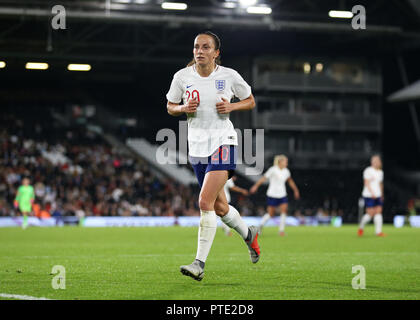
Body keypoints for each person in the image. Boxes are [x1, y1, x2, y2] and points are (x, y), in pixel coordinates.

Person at [166, 31, 261, 281]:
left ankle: (199, 263)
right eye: (196, 46)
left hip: (223, 142)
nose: (199, 51)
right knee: (220, 207)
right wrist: (182, 108)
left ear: (216, 52)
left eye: (206, 47)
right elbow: (170, 106)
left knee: (204, 202)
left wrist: (232, 106)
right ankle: (249, 234)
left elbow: (250, 100)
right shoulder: (182, 77)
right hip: (196, 148)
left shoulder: (228, 75)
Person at [250, 155, 300, 236]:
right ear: (280, 162)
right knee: (270, 213)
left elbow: (290, 181)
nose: (286, 163)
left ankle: (281, 231)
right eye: (285, 161)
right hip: (272, 194)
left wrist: (295, 190)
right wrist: (256, 186)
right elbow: (264, 178)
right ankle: (260, 226)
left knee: (284, 211)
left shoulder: (286, 171)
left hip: (282, 194)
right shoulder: (273, 170)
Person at [358, 155, 385, 237]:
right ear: (372, 162)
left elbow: (380, 184)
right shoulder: (368, 170)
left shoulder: (380, 172)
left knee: (379, 211)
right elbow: (366, 183)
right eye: (375, 161)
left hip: (378, 195)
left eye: (378, 160)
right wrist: (372, 192)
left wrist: (381, 194)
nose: (377, 162)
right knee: (370, 213)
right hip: (369, 195)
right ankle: (361, 228)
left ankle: (378, 232)